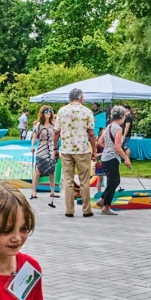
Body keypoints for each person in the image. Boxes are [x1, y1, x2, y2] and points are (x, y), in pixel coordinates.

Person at [56, 88, 97, 218]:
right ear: (80, 97)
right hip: (82, 150)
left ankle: (69, 210)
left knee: (68, 180)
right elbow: (91, 133)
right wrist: (94, 151)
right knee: (84, 180)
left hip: (66, 149)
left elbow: (56, 132)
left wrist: (55, 148)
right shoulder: (87, 112)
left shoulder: (62, 111)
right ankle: (86, 210)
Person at [99, 106, 131, 216]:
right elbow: (117, 146)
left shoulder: (109, 126)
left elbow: (100, 141)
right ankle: (106, 207)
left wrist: (108, 148)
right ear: (121, 116)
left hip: (105, 157)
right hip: (112, 158)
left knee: (115, 181)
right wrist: (126, 158)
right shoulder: (118, 128)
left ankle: (102, 199)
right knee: (113, 182)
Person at [29, 106, 58, 199]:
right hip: (42, 147)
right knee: (38, 170)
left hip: (51, 148)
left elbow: (58, 136)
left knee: (52, 170)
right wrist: (32, 146)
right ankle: (34, 191)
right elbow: (34, 136)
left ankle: (52, 191)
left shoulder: (54, 124)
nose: (48, 113)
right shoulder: (38, 125)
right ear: (42, 113)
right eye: (46, 112)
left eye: (50, 111)